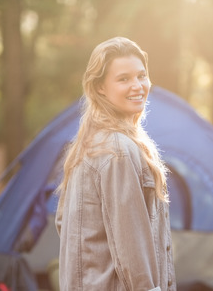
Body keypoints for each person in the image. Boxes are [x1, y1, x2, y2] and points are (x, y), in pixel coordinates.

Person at [55, 37, 176, 291]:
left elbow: (62, 223)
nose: (137, 86)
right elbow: (130, 244)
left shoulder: (89, 143)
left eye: (141, 76)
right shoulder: (117, 150)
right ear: (100, 87)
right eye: (123, 79)